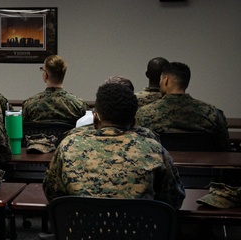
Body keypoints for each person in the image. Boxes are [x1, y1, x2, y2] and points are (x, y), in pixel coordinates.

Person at [43, 82, 184, 208]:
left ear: (95, 119)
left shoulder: (69, 146)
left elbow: (52, 193)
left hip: (81, 234)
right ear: (133, 122)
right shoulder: (154, 149)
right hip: (139, 234)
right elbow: (173, 200)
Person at [135, 61, 231, 151]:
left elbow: (139, 147)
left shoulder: (144, 113)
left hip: (162, 166)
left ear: (165, 80)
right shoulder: (212, 114)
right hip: (202, 167)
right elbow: (224, 147)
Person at [21, 54, 88, 124]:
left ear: (46, 75)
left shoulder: (29, 105)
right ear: (63, 74)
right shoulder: (79, 105)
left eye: (43, 70)